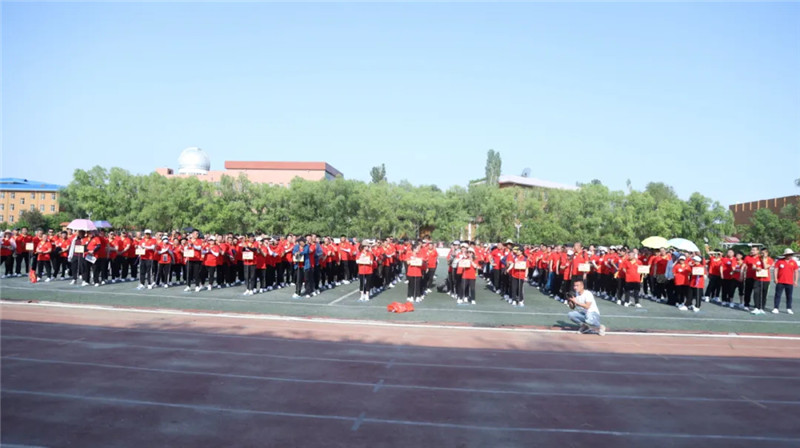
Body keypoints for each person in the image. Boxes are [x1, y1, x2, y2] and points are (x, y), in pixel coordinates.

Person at [772, 248, 798, 314]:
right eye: (788, 254)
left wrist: (795, 280)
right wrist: (775, 278)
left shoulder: (793, 262)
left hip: (789, 282)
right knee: (778, 295)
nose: (790, 256)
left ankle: (789, 308)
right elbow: (776, 270)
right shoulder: (779, 261)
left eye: (791, 254)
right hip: (780, 281)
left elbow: (796, 271)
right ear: (785, 255)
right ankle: (776, 308)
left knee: (789, 296)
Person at [750, 248, 774, 315]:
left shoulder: (770, 259)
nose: (762, 254)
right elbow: (753, 267)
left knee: (764, 293)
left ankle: (762, 307)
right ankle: (756, 307)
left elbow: (766, 267)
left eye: (764, 253)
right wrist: (756, 268)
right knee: (756, 292)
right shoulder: (757, 259)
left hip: (766, 279)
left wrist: (763, 260)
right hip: (757, 278)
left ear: (767, 253)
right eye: (761, 253)